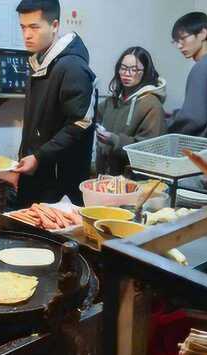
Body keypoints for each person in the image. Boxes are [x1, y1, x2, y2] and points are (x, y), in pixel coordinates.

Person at [12, 0, 96, 206]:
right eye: (23, 27)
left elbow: (80, 123)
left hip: (59, 182)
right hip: (38, 171)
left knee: (49, 236)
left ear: (55, 26)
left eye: (34, 27)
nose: (27, 35)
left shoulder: (72, 67)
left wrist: (39, 157)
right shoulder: (39, 62)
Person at [96, 46, 166, 176]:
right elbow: (93, 115)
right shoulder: (114, 100)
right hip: (107, 176)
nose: (127, 74)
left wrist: (115, 140)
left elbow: (149, 150)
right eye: (123, 68)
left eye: (134, 70)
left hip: (134, 181)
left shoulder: (152, 105)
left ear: (145, 72)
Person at [166, 12, 207, 143]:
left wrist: (164, 124)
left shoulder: (202, 67)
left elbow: (195, 117)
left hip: (199, 151)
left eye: (183, 38)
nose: (179, 46)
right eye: (176, 41)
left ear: (202, 33)